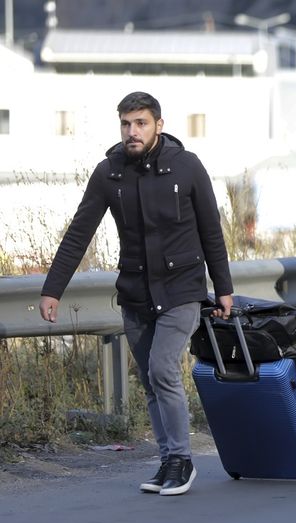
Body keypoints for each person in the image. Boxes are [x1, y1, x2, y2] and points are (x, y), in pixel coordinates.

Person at [39, 92, 233, 495]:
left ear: (158, 124)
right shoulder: (109, 173)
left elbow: (211, 231)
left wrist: (224, 289)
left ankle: (181, 460)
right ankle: (167, 461)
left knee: (163, 369)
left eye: (140, 123)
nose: (132, 132)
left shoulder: (187, 166)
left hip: (182, 289)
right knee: (149, 380)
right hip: (135, 292)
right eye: (126, 124)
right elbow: (79, 234)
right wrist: (52, 290)